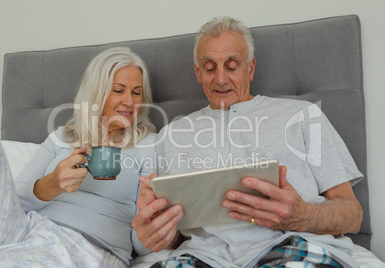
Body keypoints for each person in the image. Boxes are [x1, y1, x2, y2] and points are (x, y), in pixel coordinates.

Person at [131, 16, 364, 267]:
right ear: (198, 73)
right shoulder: (172, 135)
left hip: (291, 245)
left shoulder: (303, 115)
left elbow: (353, 215)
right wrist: (159, 230)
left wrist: (302, 216)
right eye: (210, 68)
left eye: (231, 66)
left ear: (250, 68)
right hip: (205, 257)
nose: (220, 79)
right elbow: (178, 237)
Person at [0, 47, 157, 267]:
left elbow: (142, 246)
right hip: (26, 229)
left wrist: (146, 217)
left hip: (88, 247)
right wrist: (52, 184)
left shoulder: (148, 144)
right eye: (119, 90)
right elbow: (13, 202)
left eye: (136, 92)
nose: (130, 102)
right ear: (96, 92)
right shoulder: (61, 137)